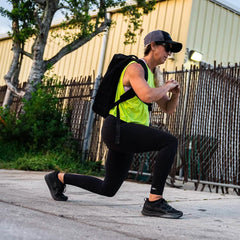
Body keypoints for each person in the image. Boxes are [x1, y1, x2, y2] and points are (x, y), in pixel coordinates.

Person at [45, 30, 183, 219]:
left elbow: (167, 108)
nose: (170, 53)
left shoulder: (153, 75)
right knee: (169, 142)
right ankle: (154, 201)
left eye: (172, 50)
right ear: (153, 46)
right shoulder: (136, 68)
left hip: (126, 132)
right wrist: (166, 86)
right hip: (119, 127)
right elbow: (147, 95)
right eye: (167, 48)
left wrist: (174, 94)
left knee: (108, 188)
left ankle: (58, 178)